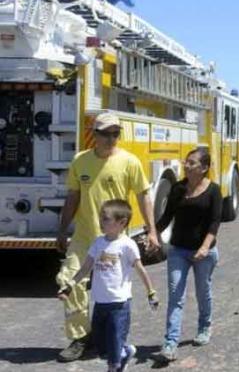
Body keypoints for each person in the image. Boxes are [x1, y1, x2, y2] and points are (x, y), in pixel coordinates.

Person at [55, 112, 157, 363]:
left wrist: (152, 229)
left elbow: (144, 195)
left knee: (112, 292)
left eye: (115, 133)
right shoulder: (80, 161)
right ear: (95, 135)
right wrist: (62, 229)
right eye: (105, 133)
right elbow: (73, 196)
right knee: (69, 279)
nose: (111, 138)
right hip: (84, 236)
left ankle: (111, 338)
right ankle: (80, 338)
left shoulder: (129, 162)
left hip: (113, 240)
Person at [57, 199, 158, 372]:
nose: (100, 222)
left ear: (121, 223)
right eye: (100, 218)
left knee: (114, 347)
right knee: (102, 346)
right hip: (100, 303)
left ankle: (116, 365)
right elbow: (85, 268)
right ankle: (125, 351)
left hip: (119, 304)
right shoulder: (98, 243)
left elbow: (141, 270)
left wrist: (151, 293)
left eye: (105, 219)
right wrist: (70, 286)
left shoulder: (127, 244)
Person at [154, 148, 223, 362]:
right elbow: (166, 218)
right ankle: (170, 344)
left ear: (204, 168)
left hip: (205, 252)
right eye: (186, 162)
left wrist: (204, 247)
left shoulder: (214, 190)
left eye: (192, 163)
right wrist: (153, 234)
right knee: (176, 296)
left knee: (203, 292)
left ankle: (204, 326)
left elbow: (214, 222)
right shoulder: (177, 189)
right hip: (178, 251)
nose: (186, 165)